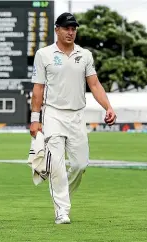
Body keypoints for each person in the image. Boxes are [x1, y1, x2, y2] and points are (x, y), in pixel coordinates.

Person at [30, 13, 117, 224]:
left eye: (74, 28)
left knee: (80, 165)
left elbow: (94, 85)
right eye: (67, 28)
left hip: (77, 115)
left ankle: (62, 196)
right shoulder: (44, 54)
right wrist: (35, 118)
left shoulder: (85, 55)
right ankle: (61, 209)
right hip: (53, 114)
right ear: (57, 29)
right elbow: (38, 88)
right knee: (57, 165)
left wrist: (108, 106)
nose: (71, 32)